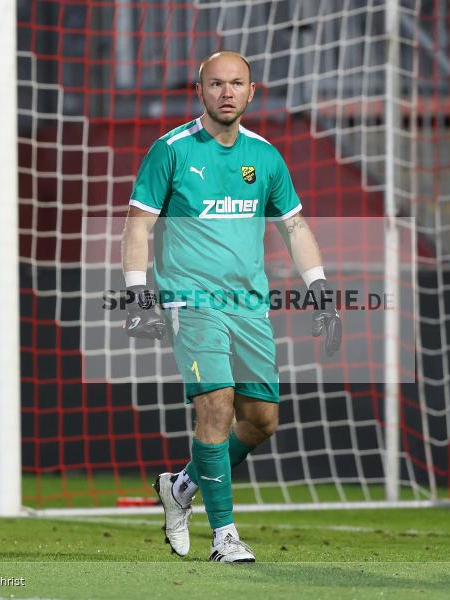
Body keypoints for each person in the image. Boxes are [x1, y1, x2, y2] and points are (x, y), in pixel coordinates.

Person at [120, 50, 341, 563]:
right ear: (200, 90)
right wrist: (137, 294)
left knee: (261, 421)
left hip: (250, 306)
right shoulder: (170, 150)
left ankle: (180, 487)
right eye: (216, 83)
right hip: (191, 300)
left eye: (236, 84)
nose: (226, 92)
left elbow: (295, 227)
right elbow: (138, 225)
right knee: (215, 406)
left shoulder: (265, 157)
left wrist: (320, 287)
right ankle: (225, 536)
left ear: (251, 91)